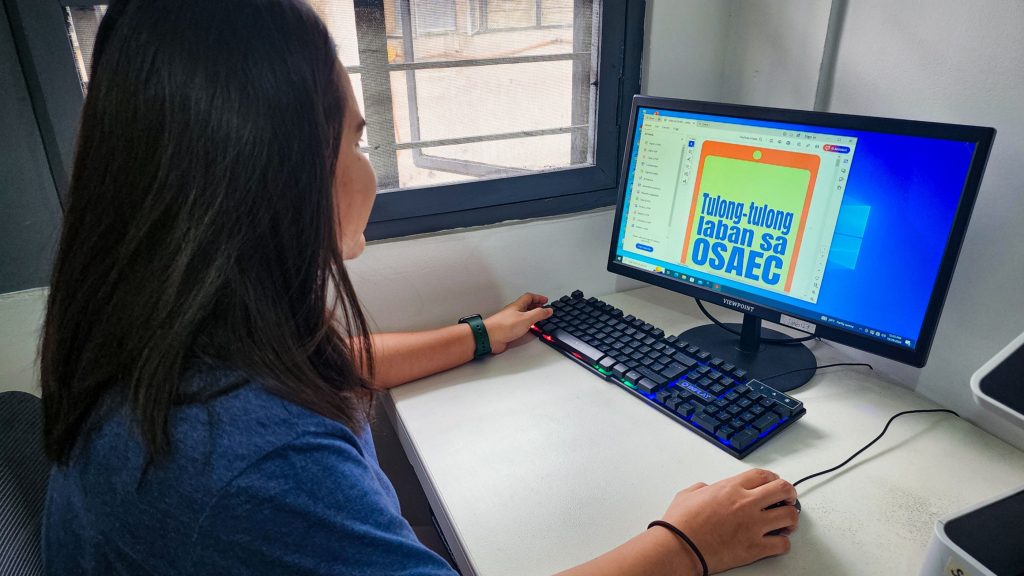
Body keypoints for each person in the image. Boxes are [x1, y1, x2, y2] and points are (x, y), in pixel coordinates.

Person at [40, 1, 799, 574]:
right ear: (280, 175)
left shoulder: (160, 335)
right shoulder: (252, 464)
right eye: (356, 139)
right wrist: (688, 545)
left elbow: (328, 361)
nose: (366, 165)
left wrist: (481, 334)